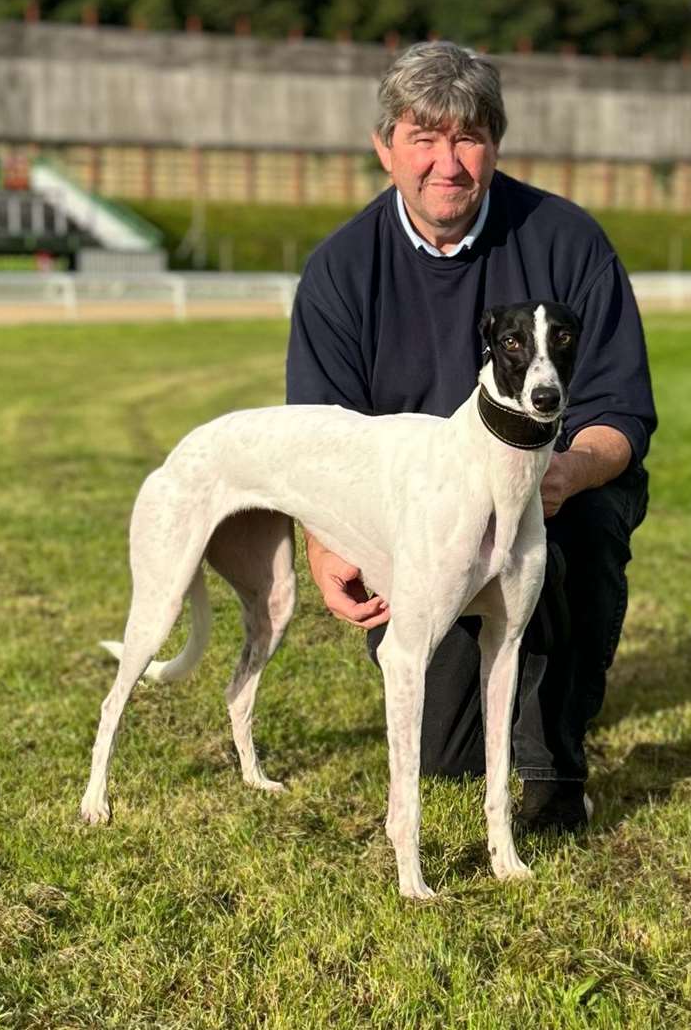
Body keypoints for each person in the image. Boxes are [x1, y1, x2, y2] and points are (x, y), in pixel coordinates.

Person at [285, 41, 656, 833]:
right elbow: (318, 442)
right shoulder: (340, 272)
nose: (445, 163)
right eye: (423, 137)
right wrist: (325, 543)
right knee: (442, 752)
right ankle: (495, 705)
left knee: (582, 522)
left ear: (494, 144)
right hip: (422, 525)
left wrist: (567, 473)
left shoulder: (567, 241)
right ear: (385, 148)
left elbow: (623, 413)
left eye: (467, 137)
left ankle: (555, 764)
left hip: (553, 498)